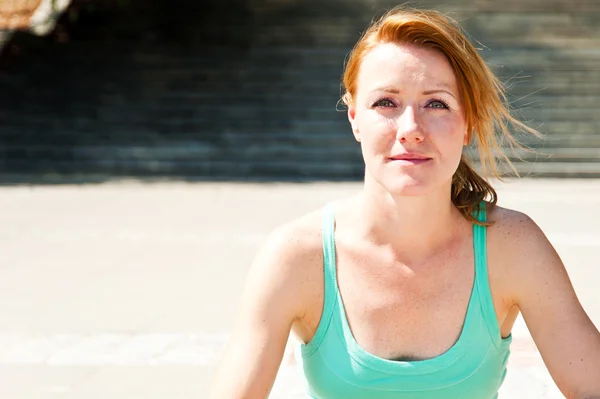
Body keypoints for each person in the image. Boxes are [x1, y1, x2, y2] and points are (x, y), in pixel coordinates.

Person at [209, 6, 600, 399]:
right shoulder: (298, 257)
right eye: (386, 103)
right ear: (355, 119)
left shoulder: (512, 246)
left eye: (436, 104)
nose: (411, 130)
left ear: (469, 124)